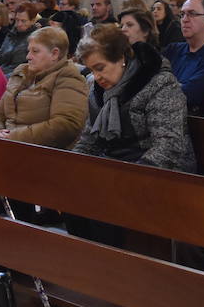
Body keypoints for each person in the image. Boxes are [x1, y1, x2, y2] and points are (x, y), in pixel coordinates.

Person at [72, 25, 194, 242]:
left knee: (104, 204)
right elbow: (90, 139)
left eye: (100, 67)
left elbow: (169, 146)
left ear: (121, 58)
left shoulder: (159, 83)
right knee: (70, 197)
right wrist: (73, 165)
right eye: (91, 70)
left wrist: (126, 179)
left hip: (160, 174)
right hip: (116, 168)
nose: (96, 77)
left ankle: (112, 268)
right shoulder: (99, 91)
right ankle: (88, 267)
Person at [0, 24, 89, 151]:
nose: (28, 56)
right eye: (28, 51)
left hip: (40, 155)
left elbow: (66, 124)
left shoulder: (68, 78)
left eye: (35, 51)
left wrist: (14, 137)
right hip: (6, 146)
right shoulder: (21, 72)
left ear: (55, 54)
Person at [0, 2, 41, 75]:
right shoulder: (11, 34)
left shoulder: (36, 39)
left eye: (23, 21)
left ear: (32, 21)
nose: (19, 24)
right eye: (17, 20)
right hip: (0, 72)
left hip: (17, 77)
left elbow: (27, 68)